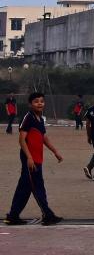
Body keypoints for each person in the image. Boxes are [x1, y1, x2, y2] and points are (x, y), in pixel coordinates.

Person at [4, 92, 63, 226]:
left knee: (24, 188)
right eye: (36, 101)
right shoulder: (28, 117)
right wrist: (29, 157)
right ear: (30, 104)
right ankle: (48, 215)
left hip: (37, 157)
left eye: (42, 101)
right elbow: (22, 140)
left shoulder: (40, 119)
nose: (39, 103)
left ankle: (12, 216)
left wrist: (55, 151)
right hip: (30, 159)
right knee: (38, 187)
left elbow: (43, 138)